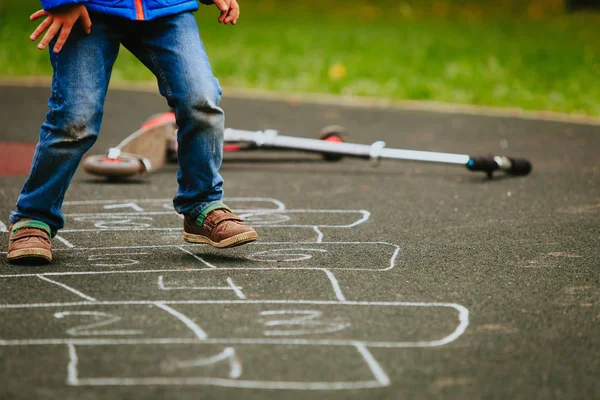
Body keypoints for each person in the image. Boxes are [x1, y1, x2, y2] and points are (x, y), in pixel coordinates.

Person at [7, 0, 257, 264]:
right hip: (89, 10)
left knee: (200, 99)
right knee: (75, 120)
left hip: (166, 8)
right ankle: (35, 216)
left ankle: (201, 206)